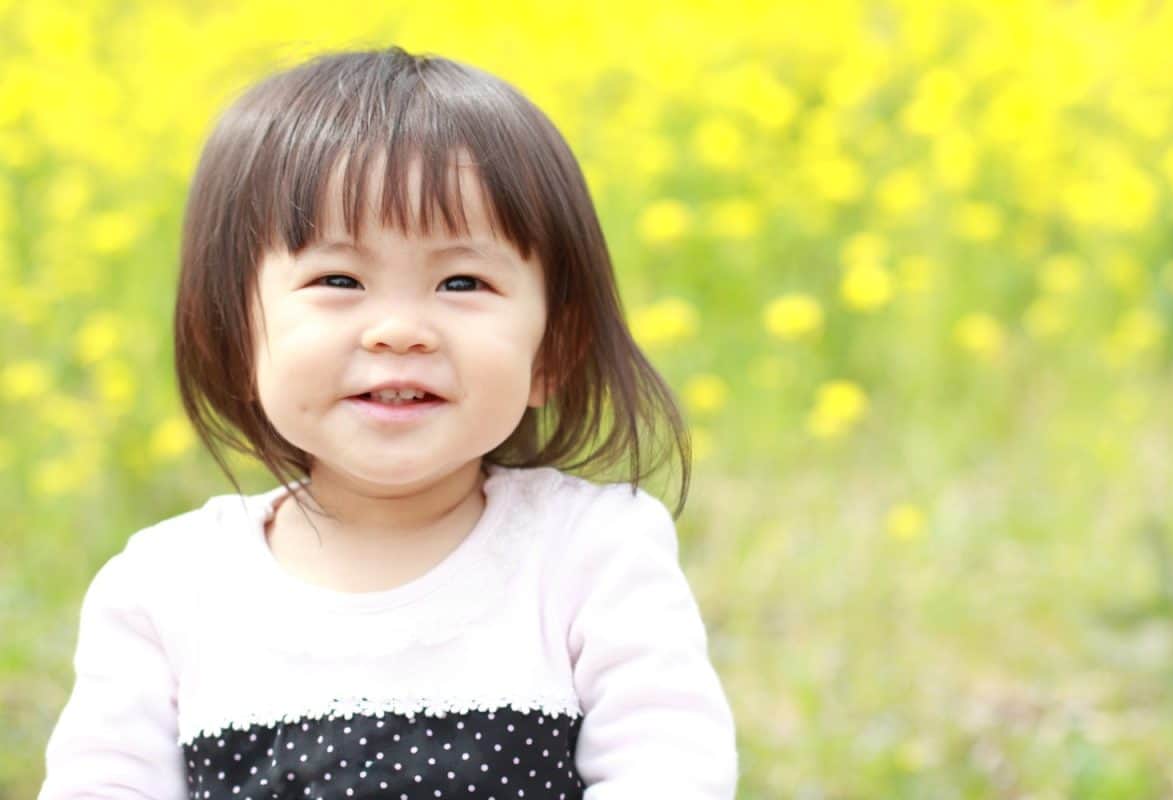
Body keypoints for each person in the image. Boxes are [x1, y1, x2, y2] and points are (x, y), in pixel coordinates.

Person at [38, 47, 738, 799]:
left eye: (462, 281)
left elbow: (669, 770)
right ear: (237, 337)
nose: (400, 329)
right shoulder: (166, 588)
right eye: (339, 280)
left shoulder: (589, 554)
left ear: (552, 350)